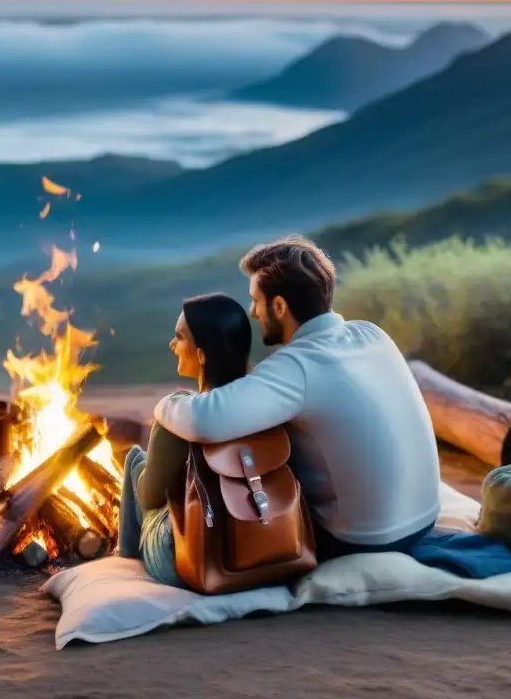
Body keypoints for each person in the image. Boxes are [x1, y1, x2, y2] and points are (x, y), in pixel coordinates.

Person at [153, 236, 442, 562]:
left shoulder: (297, 367)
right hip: (425, 517)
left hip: (363, 540)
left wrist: (166, 404)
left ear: (279, 307)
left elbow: (202, 420)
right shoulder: (372, 334)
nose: (252, 312)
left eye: (256, 301)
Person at [118, 292, 252, 586]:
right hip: (252, 539)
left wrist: (151, 465)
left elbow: (149, 497)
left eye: (179, 337)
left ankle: (125, 558)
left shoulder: (180, 411)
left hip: (184, 557)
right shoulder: (262, 401)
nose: (171, 345)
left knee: (134, 460)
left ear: (202, 354)